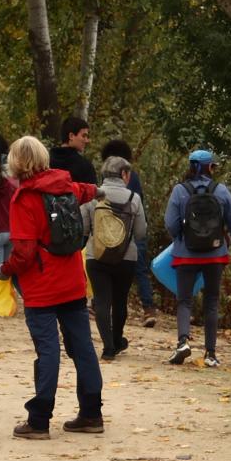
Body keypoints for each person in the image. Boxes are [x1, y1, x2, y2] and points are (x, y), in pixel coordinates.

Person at [0, 135, 102, 439]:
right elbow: (87, 191)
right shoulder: (65, 186)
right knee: (83, 348)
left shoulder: (25, 199)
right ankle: (91, 414)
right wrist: (100, 190)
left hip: (41, 288)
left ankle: (39, 420)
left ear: (16, 162)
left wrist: (3, 270)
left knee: (48, 351)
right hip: (73, 282)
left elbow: (23, 253)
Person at [164, 149, 231, 368]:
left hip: (185, 255)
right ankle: (211, 353)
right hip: (215, 255)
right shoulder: (221, 191)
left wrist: (181, 238)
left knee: (184, 300)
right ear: (210, 167)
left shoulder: (179, 191)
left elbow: (171, 223)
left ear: (190, 166)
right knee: (211, 302)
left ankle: (183, 342)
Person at [83, 155, 147, 360]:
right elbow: (140, 233)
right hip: (126, 258)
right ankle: (118, 339)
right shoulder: (134, 198)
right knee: (120, 301)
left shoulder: (92, 196)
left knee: (101, 301)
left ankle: (108, 347)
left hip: (97, 256)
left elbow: (83, 228)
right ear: (124, 174)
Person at [101, 138, 157, 327]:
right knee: (140, 270)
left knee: (104, 265)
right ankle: (148, 309)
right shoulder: (133, 177)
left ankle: (98, 304)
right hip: (135, 229)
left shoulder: (115, 179)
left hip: (116, 230)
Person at [48, 116, 97, 186]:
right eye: (83, 136)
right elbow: (92, 194)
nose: (87, 140)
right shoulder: (85, 167)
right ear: (71, 136)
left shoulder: (45, 162)